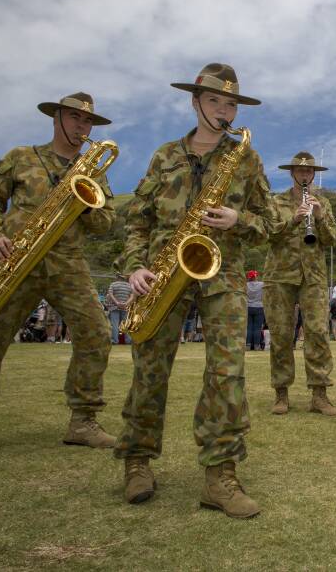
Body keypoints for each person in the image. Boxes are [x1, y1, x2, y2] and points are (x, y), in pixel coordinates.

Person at [115, 63, 269, 518]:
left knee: (227, 374)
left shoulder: (246, 158)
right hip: (163, 274)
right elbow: (137, 220)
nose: (224, 111)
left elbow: (272, 221)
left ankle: (220, 475)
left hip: (224, 274)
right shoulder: (164, 156)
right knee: (149, 370)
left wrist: (239, 219)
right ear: (195, 101)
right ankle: (137, 461)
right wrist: (135, 267)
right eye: (215, 101)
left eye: (231, 104)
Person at [0, 92, 117, 458]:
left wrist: (87, 207)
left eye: (87, 121)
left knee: (96, 333)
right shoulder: (21, 156)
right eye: (74, 117)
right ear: (56, 118)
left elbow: (106, 221)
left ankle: (83, 421)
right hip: (16, 259)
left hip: (67, 262)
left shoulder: (93, 171)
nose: (81, 125)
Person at [263, 152, 336, 418]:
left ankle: (319, 394)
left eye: (309, 171)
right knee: (281, 335)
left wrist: (318, 217)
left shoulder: (323, 203)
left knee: (318, 332)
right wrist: (293, 220)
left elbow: (332, 239)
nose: (305, 175)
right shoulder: (276, 201)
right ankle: (281, 393)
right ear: (292, 173)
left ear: (313, 174)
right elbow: (267, 233)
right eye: (300, 171)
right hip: (280, 276)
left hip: (314, 277)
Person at [106, 275, 133, 345]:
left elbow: (110, 294)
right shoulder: (129, 286)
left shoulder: (113, 284)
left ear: (117, 278)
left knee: (114, 324)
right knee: (126, 324)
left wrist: (116, 302)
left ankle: (115, 341)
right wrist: (126, 303)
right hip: (125, 308)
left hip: (114, 307)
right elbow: (132, 296)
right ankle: (128, 340)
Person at [245, 270, 266, 350]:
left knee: (249, 327)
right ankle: (257, 345)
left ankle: (248, 345)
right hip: (259, 307)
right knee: (257, 327)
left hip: (248, 307)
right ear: (255, 276)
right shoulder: (261, 284)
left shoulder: (245, 285)